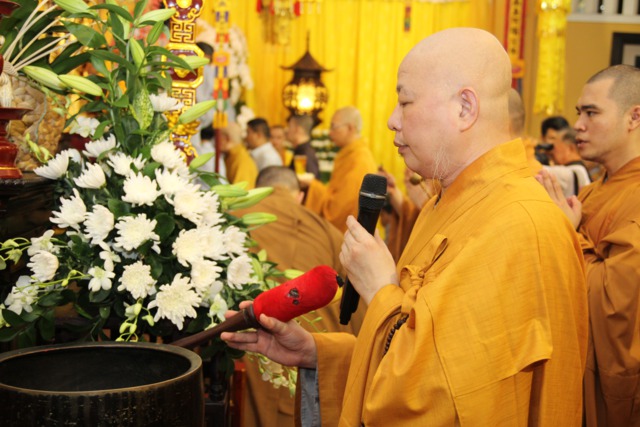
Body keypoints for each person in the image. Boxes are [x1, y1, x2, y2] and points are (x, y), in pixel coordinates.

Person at [222, 28, 588, 426]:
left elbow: (446, 398)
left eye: (405, 102)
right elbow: (417, 350)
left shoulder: (521, 224)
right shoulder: (441, 205)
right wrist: (317, 353)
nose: (392, 120)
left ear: (465, 108)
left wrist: (380, 288)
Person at [537, 64, 640, 427]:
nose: (578, 125)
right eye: (579, 112)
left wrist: (568, 235)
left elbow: (617, 302)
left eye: (592, 113)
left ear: (634, 117)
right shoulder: (592, 192)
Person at [232, 166, 365, 426]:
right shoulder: (327, 230)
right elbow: (355, 299)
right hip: (317, 344)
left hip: (253, 343)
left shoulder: (236, 218)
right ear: (300, 196)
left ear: (257, 191)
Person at [301, 107, 378, 232]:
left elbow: (338, 209)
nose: (330, 133)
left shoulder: (360, 160)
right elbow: (335, 194)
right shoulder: (349, 154)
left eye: (334, 127)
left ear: (350, 128)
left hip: (349, 234)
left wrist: (313, 185)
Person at [219, 122, 258, 188]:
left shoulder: (242, 161)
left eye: (218, 138)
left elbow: (241, 191)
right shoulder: (230, 155)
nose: (215, 142)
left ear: (227, 139)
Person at [286, 115, 320, 179]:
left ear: (297, 129)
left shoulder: (305, 153)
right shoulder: (302, 150)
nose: (287, 130)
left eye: (289, 126)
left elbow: (310, 181)